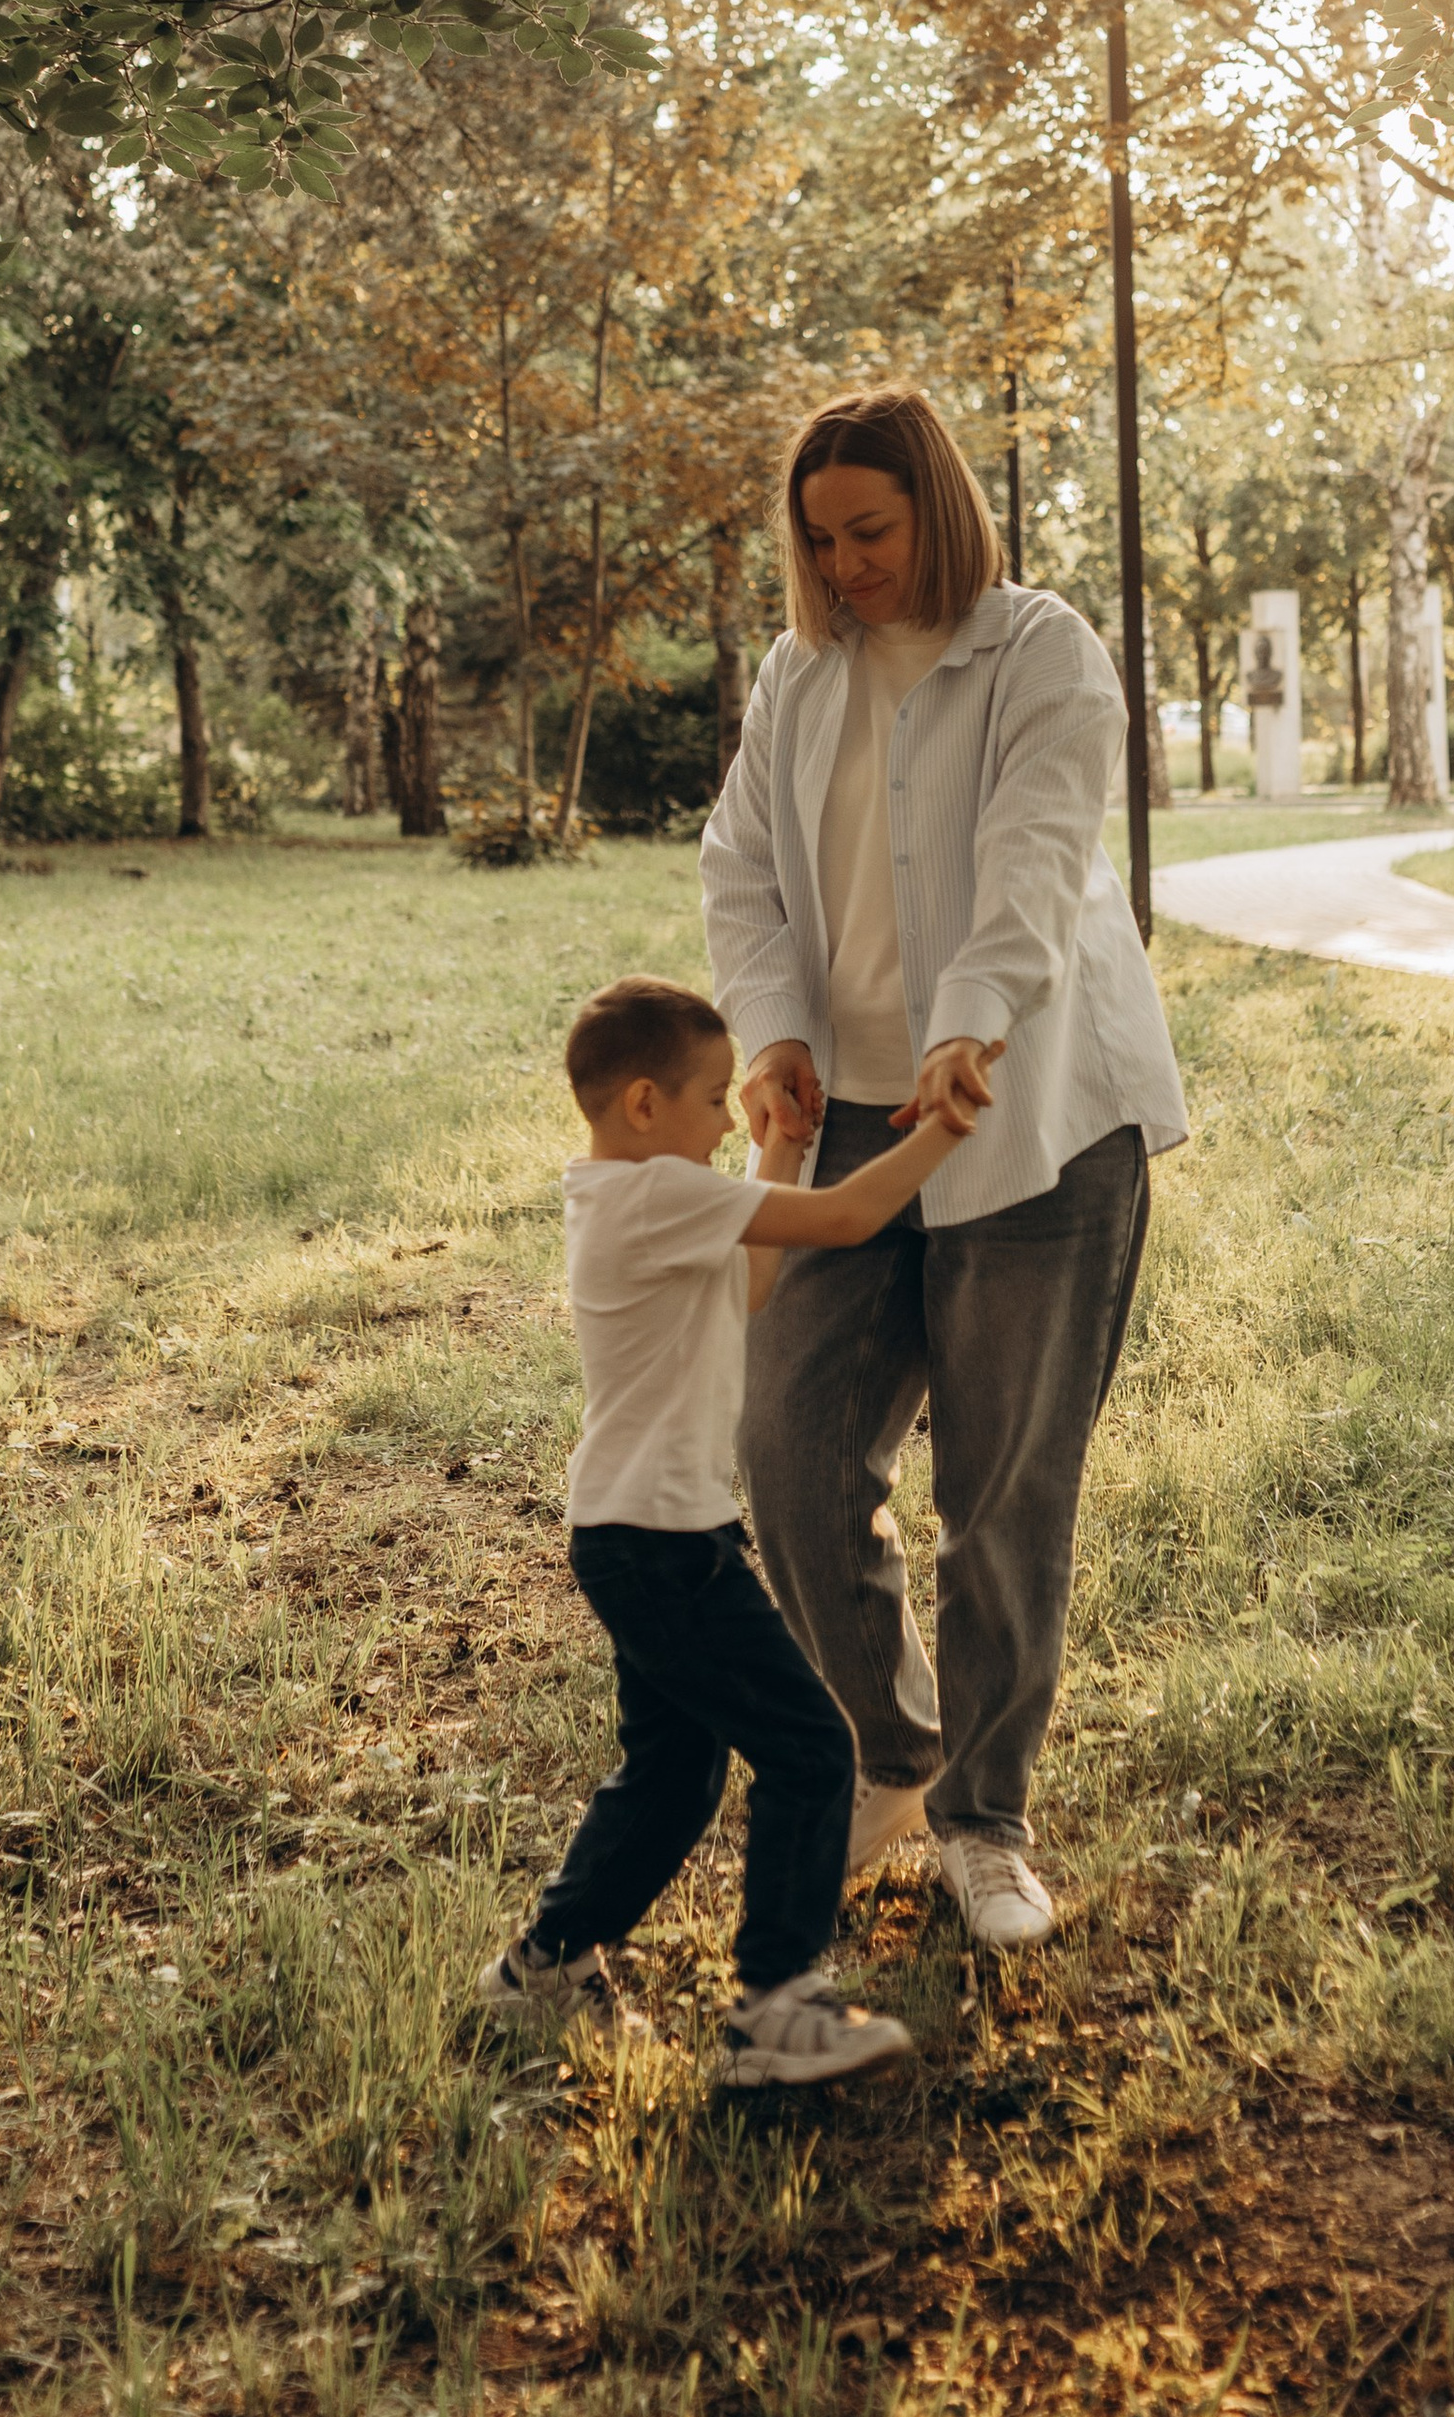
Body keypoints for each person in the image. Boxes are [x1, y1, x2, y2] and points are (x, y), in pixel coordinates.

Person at [700, 384, 1187, 1954]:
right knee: (787, 1448)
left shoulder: (1042, 654)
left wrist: (968, 1024)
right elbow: (742, 871)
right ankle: (891, 1756)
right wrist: (771, 1029)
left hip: (1032, 1118)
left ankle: (985, 1817)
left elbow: (1037, 861)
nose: (843, 567)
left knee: (1004, 1492)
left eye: (871, 533)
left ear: (939, 510)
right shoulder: (797, 674)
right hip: (844, 1126)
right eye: (820, 540)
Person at [475, 973, 980, 2088]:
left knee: (674, 1774)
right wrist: (945, 1122)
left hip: (638, 1529)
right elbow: (849, 1221)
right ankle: (778, 2008)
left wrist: (781, 1148)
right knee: (809, 1748)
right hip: (663, 1542)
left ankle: (545, 1965)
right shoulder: (658, 1195)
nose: (727, 1118)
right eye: (716, 1099)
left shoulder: (630, 1196)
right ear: (645, 1103)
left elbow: (753, 1286)